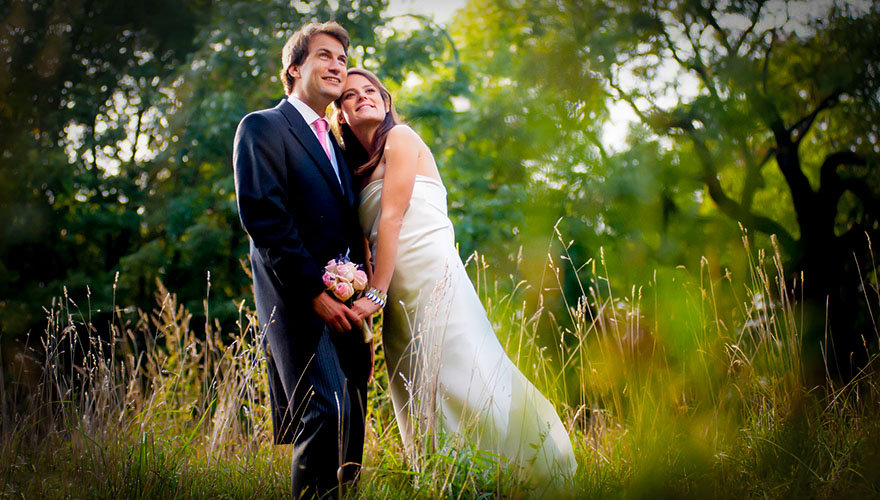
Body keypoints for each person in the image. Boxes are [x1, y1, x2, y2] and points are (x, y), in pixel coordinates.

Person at [333, 68, 578, 488]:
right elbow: (369, 244)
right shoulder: (356, 172)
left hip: (431, 276)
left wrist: (375, 293)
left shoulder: (402, 138)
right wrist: (375, 306)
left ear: (386, 101)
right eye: (350, 96)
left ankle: (521, 475)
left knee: (464, 372)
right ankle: (450, 480)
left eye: (370, 90)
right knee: (418, 389)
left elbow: (392, 218)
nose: (361, 98)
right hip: (396, 294)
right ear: (341, 116)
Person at [232, 22, 371, 499]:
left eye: (343, 59)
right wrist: (315, 293)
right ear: (294, 69)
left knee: (351, 428)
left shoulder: (335, 141)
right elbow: (265, 217)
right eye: (325, 56)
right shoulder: (263, 127)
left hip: (346, 310)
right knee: (325, 411)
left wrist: (361, 292)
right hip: (298, 303)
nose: (338, 65)